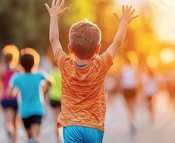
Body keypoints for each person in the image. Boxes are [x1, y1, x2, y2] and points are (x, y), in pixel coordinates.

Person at [45, 0, 138, 142]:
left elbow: (53, 40)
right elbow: (116, 43)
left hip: (71, 126)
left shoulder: (65, 64)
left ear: (70, 49)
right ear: (98, 49)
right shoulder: (101, 65)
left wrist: (53, 17)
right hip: (94, 127)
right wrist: (124, 23)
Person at [9, 50, 53, 143]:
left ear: (21, 64)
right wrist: (44, 88)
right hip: (37, 109)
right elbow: (51, 82)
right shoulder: (39, 74)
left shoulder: (17, 77)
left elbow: (10, 93)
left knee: (29, 137)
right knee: (35, 136)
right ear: (35, 62)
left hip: (24, 111)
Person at [0, 44, 20, 142]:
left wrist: (1, 87)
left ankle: (9, 129)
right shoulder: (17, 69)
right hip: (16, 98)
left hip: (5, 97)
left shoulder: (2, 70)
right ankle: (14, 140)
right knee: (16, 123)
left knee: (8, 121)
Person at [119, 57, 139, 132]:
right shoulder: (134, 68)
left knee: (128, 106)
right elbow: (137, 79)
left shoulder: (123, 68)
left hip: (127, 89)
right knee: (132, 106)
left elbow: (120, 79)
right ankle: (132, 120)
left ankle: (131, 120)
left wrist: (120, 88)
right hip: (132, 88)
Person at [48, 59, 62, 142]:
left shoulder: (51, 73)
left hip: (53, 97)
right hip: (63, 97)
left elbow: (48, 86)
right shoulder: (62, 73)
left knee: (56, 118)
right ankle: (62, 134)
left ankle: (57, 136)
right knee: (63, 117)